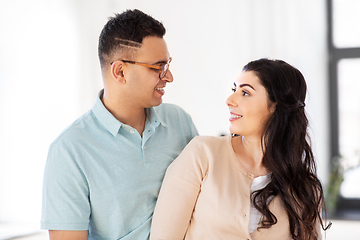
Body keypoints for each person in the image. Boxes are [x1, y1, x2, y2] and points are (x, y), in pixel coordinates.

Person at [41, 9, 198, 240]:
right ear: (120, 71)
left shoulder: (180, 122)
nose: (169, 76)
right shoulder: (68, 152)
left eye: (168, 65)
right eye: (158, 67)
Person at [150, 58, 330, 240]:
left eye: (245, 93)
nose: (230, 100)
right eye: (234, 90)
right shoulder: (202, 154)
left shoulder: (305, 186)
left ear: (276, 105)